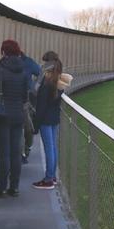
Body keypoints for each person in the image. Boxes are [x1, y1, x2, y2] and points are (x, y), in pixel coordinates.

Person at [0, 39, 28, 197]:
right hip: (18, 115)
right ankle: (14, 187)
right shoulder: (23, 71)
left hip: (1, 116)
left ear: (3, 52)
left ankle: (1, 187)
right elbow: (25, 95)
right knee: (16, 152)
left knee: (3, 153)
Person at [32, 52, 72, 189]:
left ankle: (49, 179)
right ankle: (53, 177)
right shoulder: (59, 82)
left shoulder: (47, 83)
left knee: (49, 148)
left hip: (45, 119)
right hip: (54, 118)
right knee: (53, 147)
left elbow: (41, 106)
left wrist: (35, 125)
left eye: (44, 62)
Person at [19, 50, 41, 164]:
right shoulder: (28, 62)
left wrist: (34, 87)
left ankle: (26, 150)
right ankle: (23, 152)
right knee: (25, 127)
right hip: (23, 97)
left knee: (27, 127)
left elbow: (40, 73)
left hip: (27, 97)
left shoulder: (28, 62)